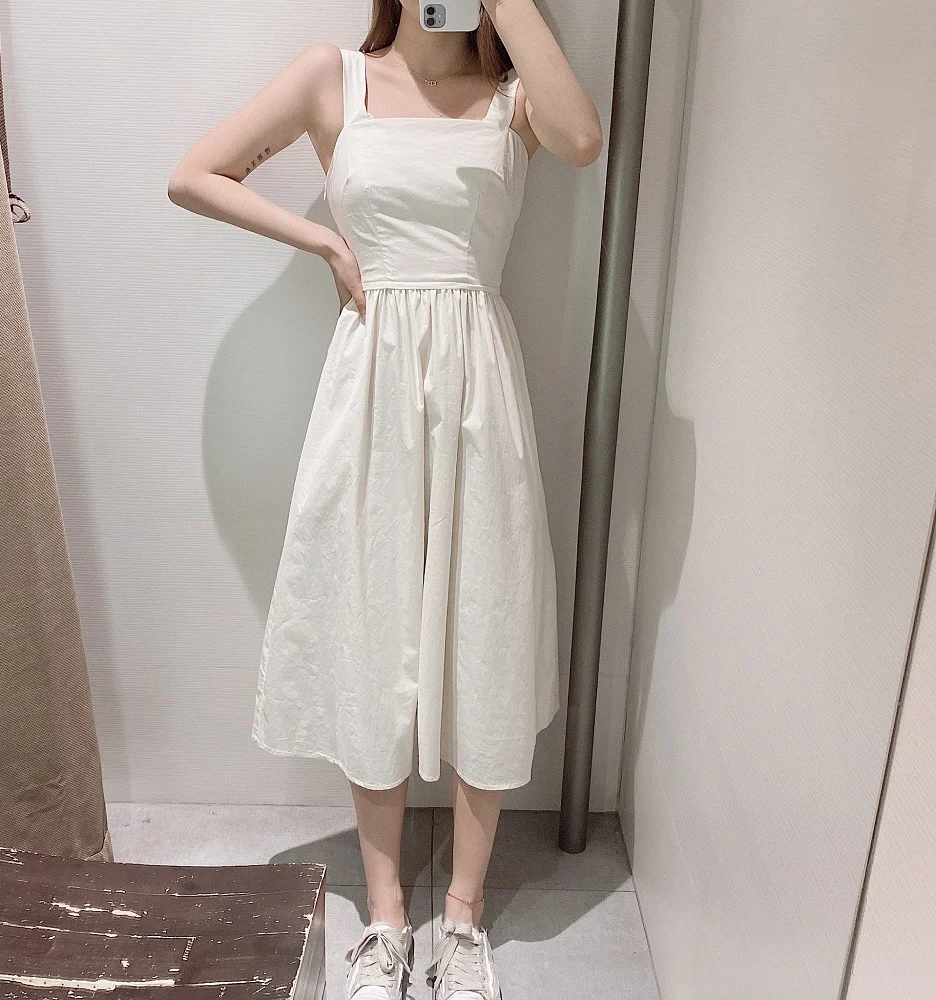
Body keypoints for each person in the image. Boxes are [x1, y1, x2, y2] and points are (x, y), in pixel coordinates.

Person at [168, 2, 601, 997]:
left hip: (479, 392)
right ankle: (387, 918)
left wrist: (509, 8)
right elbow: (193, 174)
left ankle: (464, 919)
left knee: (484, 627)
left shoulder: (515, 98)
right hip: (369, 392)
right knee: (372, 631)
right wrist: (324, 244)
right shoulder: (335, 79)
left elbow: (583, 140)